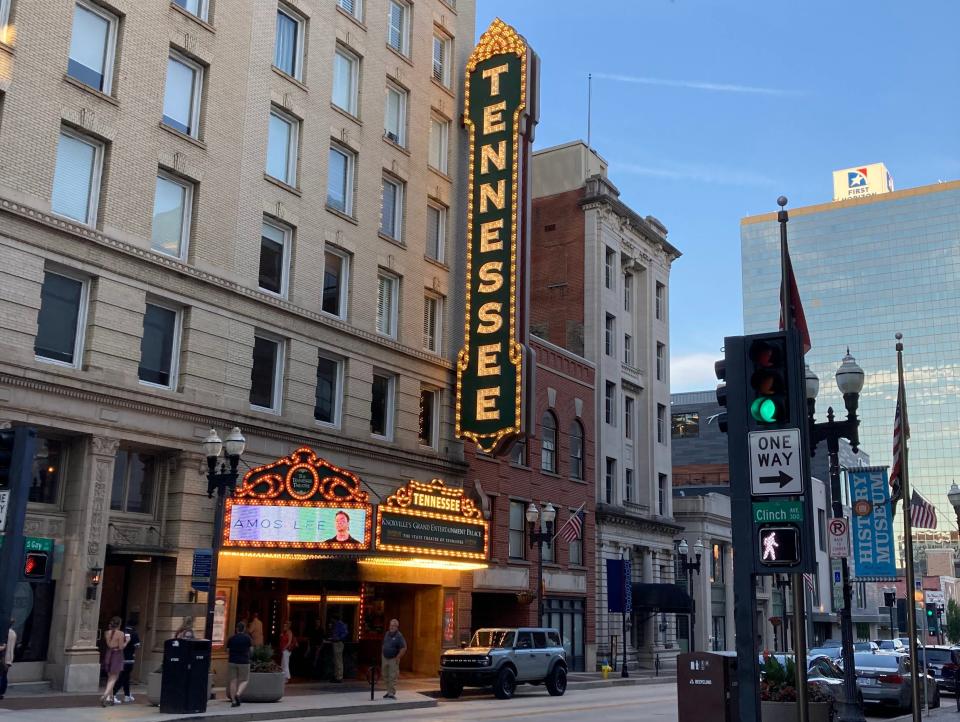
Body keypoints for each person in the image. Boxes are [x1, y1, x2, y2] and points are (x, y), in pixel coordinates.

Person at [225, 621, 253, 707]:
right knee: (245, 680)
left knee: (233, 681)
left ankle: (233, 701)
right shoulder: (247, 638)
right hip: (244, 661)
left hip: (232, 661)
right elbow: (251, 650)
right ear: (244, 629)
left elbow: (227, 650)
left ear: (236, 629)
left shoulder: (231, 638)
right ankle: (238, 694)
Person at [100, 617, 127, 706]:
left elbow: (109, 644)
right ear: (119, 624)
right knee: (114, 677)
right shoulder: (121, 633)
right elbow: (121, 647)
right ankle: (105, 695)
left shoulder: (106, 633)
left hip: (109, 653)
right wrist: (127, 641)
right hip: (117, 655)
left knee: (110, 676)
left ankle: (110, 698)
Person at [116, 618, 141, 703]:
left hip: (120, 657)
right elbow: (137, 645)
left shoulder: (122, 632)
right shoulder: (134, 633)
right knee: (123, 677)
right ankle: (113, 693)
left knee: (126, 676)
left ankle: (127, 695)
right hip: (129, 658)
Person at [381, 618, 406, 700]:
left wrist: (398, 657)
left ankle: (391, 693)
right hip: (385, 658)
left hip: (393, 659)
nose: (391, 627)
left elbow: (403, 648)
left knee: (392, 676)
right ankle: (388, 691)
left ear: (397, 627)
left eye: (393, 626)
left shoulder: (399, 636)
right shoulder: (387, 634)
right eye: (391, 625)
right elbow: (384, 644)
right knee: (385, 675)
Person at [0, 618, 16, 700]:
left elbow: (3, 646)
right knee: (4, 675)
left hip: (3, 657)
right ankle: (2, 692)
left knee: (1, 675)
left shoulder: (4, 632)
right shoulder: (13, 633)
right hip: (9, 657)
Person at [329, 616, 349, 682]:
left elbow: (345, 632)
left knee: (338, 660)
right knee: (336, 660)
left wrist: (339, 638)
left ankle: (339, 677)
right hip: (336, 642)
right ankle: (336, 675)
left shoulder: (340, 624)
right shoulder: (336, 624)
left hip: (338, 643)